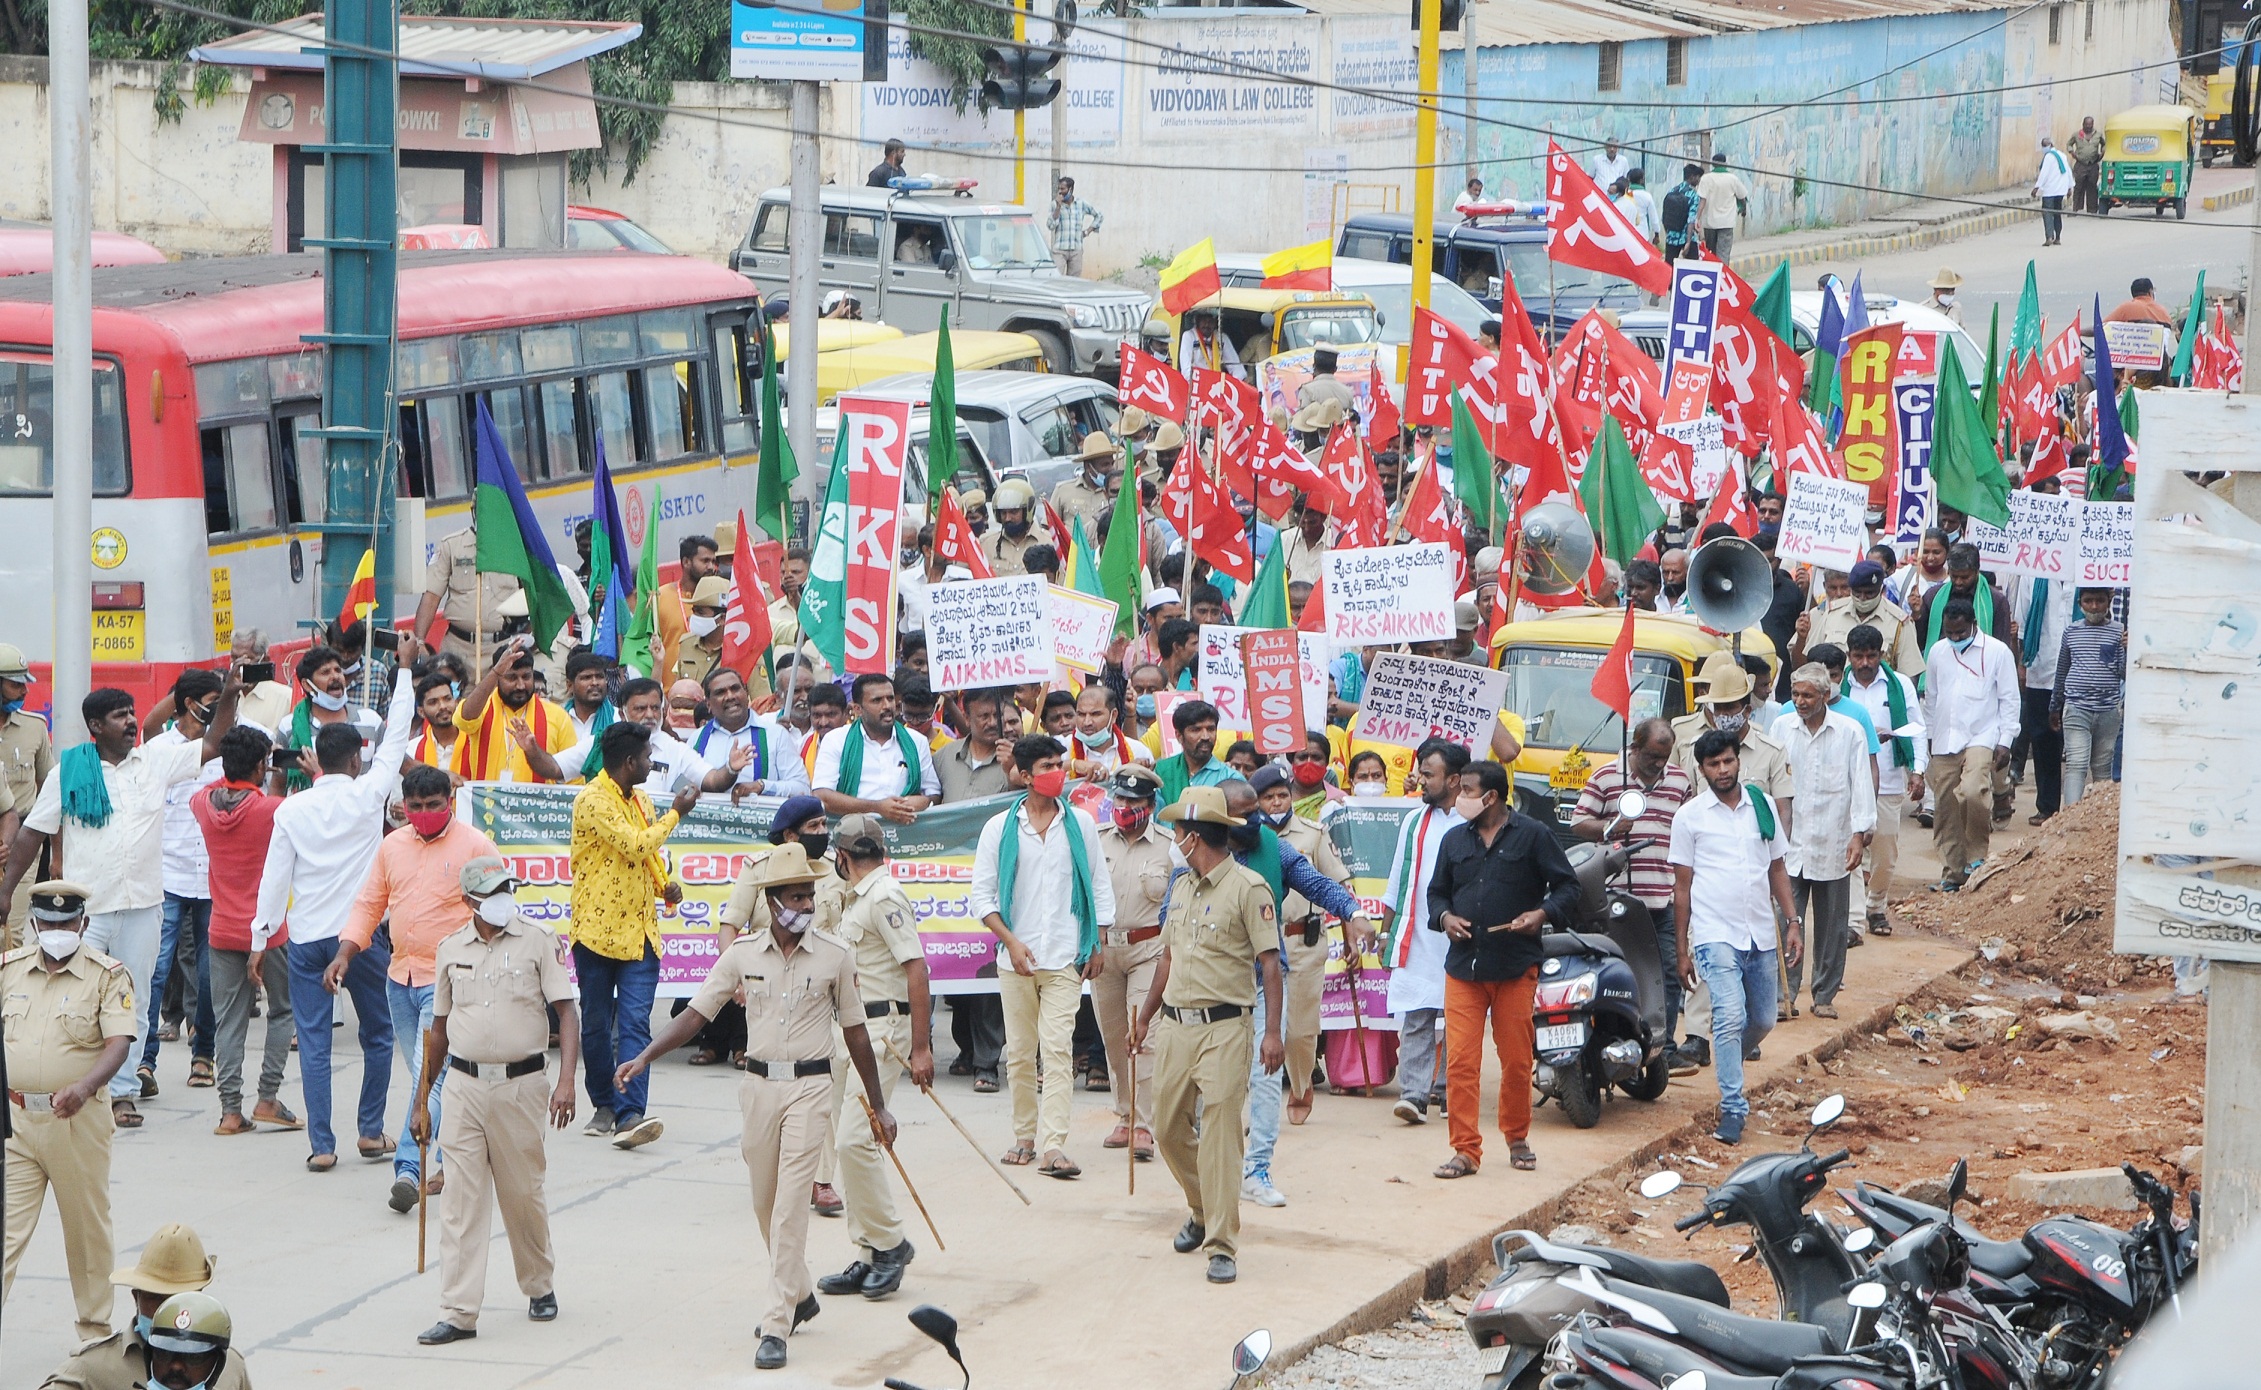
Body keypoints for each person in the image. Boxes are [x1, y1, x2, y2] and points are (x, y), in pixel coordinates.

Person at [618, 842, 898, 1370]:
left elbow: (856, 1032)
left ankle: (776, 1323)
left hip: (811, 1088)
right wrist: (644, 1056)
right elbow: (696, 1015)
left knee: (791, 1207)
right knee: (765, 1205)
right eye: (796, 897)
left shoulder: (836, 955)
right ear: (772, 902)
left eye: (810, 895)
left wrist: (878, 1106)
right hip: (758, 1088)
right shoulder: (742, 955)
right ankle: (800, 1292)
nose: (806, 905)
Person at [3, 676, 242, 1131]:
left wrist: (229, 696)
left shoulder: (155, 760)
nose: (132, 722)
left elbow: (212, 744)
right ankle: (73, 1084)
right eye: (120, 716)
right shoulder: (69, 771)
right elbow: (33, 833)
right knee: (74, 1000)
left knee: (134, 1001)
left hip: (143, 906)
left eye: (132, 713)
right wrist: (4, 892)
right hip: (84, 913)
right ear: (96, 726)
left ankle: (124, 1092)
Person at [245, 653, 415, 1168]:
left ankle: (322, 1146)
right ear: (356, 761)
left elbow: (274, 880)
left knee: (315, 1042)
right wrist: (404, 672)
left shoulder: (291, 809)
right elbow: (397, 737)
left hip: (306, 940)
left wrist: (260, 940)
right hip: (361, 939)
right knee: (378, 1034)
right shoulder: (368, 796)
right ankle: (370, 1131)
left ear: (315, 760)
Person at [408, 856, 579, 1346]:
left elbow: (567, 1013)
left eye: (508, 889)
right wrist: (421, 1101)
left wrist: (567, 1082)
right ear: (469, 901)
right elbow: (438, 1030)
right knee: (461, 1203)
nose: (504, 899)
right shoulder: (450, 949)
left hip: (521, 1086)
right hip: (463, 1087)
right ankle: (459, 1312)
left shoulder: (538, 941)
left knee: (522, 1194)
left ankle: (538, 1283)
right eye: (492, 893)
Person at [331, 762, 502, 1211]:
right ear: (402, 806)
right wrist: (345, 953)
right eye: (416, 806)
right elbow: (370, 903)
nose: (424, 814)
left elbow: (499, 909)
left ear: (450, 801)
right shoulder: (392, 846)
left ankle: (409, 1169)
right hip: (399, 979)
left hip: (450, 983)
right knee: (431, 1078)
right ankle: (448, 1157)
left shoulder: (476, 846)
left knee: (429, 1080)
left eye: (433, 805)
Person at [1132, 787, 1283, 1286]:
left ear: (1194, 837)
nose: (1174, 840)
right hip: (1176, 1026)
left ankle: (1221, 1243)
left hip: (1225, 1028)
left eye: (1177, 832)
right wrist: (1146, 1015)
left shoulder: (1249, 888)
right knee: (1167, 1128)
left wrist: (1272, 1033)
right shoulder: (1180, 887)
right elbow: (1167, 957)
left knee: (1220, 1137)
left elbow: (1270, 965)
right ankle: (1201, 1207)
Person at [1219, 776, 1367, 1206]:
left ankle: (1257, 1170)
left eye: (1257, 812)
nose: (1256, 820)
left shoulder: (1274, 847)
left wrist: (1352, 912)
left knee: (1265, 1077)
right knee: (1217, 1082)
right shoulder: (1199, 850)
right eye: (1245, 814)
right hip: (1213, 984)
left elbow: (1315, 883)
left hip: (1264, 980)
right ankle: (1216, 1168)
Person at [1425, 760, 1577, 1178]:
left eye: (1467, 791)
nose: (1460, 798)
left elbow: (1568, 886)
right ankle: (1465, 1150)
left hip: (1515, 965)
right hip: (1463, 969)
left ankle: (1517, 1137)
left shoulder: (1534, 835)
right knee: (1460, 1062)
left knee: (1515, 1060)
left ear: (1490, 796)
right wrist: (1445, 918)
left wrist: (1541, 914)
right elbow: (1436, 894)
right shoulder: (1454, 840)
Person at [971, 735, 1113, 1179]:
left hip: (1064, 956)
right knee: (1019, 1054)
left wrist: (1098, 941)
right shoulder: (1000, 828)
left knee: (1056, 1050)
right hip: (1016, 960)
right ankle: (1024, 1137)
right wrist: (1011, 942)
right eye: (1047, 766)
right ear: (1025, 776)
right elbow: (982, 897)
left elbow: (1098, 884)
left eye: (1059, 764)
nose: (1057, 773)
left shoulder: (1080, 824)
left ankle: (1053, 1145)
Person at [1, 882, 136, 1339]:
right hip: (17, 1122)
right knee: (5, 1231)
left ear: (83, 923)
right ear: (34, 924)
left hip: (76, 1122)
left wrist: (85, 1086)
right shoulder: (10, 971)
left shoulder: (106, 976)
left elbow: (118, 1042)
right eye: (48, 922)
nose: (57, 930)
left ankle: (94, 1330)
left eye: (67, 922)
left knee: (85, 1231)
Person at [813, 815, 933, 1301]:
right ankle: (867, 1252)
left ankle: (890, 1244)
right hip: (855, 1030)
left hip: (883, 1031)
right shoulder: (860, 897)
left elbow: (917, 969)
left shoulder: (883, 896)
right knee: (849, 1144)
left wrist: (921, 1047)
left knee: (854, 1140)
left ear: (842, 856)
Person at [569, 722, 704, 1150]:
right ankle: (604, 1103)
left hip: (641, 933)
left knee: (634, 1023)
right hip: (596, 932)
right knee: (596, 1025)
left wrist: (666, 885)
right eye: (647, 758)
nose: (651, 764)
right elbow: (634, 845)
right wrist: (677, 814)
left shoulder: (642, 800)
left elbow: (646, 857)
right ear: (629, 762)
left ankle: (630, 1113)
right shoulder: (592, 799)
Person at [1669, 732, 1801, 1145]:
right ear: (1701, 769)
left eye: (1728, 761)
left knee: (1761, 1019)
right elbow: (1682, 888)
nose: (1723, 770)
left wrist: (1793, 921)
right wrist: (1682, 950)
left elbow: (1777, 868)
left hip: (1759, 931)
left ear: (1738, 761)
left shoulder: (1761, 806)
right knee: (1727, 1015)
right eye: (1714, 764)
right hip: (1714, 933)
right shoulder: (1689, 817)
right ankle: (1732, 1107)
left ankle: (1729, 1062)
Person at [191, 727, 297, 1138]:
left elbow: (217, 788)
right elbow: (286, 810)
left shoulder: (203, 804)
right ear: (260, 766)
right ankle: (268, 1096)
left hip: (222, 929)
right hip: (269, 930)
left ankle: (230, 1111)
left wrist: (243, 768)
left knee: (228, 1022)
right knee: (282, 1011)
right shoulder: (271, 809)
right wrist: (281, 774)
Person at [1571, 717, 1696, 1065]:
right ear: (1635, 748)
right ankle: (1618, 1045)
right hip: (1618, 900)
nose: (1659, 764)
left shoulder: (1679, 781)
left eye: (1664, 757)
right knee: (1620, 975)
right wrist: (1608, 827)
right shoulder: (1607, 776)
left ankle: (1663, 1051)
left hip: (1664, 898)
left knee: (1667, 974)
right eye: (1652, 756)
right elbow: (1578, 822)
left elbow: (1690, 827)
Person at [1250, 765, 1362, 1129]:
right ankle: (1259, 1104)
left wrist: (1350, 934)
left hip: (1302, 942)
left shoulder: (1312, 834)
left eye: (1283, 795)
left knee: (1299, 1030)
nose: (1277, 802)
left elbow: (1335, 885)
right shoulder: (1246, 838)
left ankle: (1300, 1087)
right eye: (1269, 797)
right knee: (1256, 1031)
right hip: (1258, 945)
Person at [1774, 664, 1876, 1022]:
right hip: (1791, 843)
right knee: (1787, 919)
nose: (1800, 701)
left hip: (1834, 840)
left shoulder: (1849, 732)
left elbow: (1861, 783)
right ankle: (1784, 995)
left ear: (1825, 695)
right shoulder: (1781, 728)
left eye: (1808, 695)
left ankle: (1824, 994)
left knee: (1832, 924)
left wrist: (1859, 835)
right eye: (1796, 694)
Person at [140, 670, 224, 1097]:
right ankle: (144, 1061)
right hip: (167, 875)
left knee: (209, 974)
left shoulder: (224, 748)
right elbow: (149, 725)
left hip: (212, 877)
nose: (219, 707)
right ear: (189, 705)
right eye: (212, 700)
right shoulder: (157, 750)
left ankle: (204, 1053)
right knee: (155, 971)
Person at [1379, 738, 1469, 1126]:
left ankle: (1450, 1089)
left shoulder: (1474, 822)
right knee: (1417, 1015)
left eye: (1429, 774)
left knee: (1458, 1018)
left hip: (1461, 934)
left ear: (1454, 780)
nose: (1420, 780)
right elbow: (1397, 879)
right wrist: (1386, 933)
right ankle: (1414, 1094)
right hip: (1418, 934)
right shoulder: (1414, 821)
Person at [44, 1226, 253, 1389]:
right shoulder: (94, 1367)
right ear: (136, 1297)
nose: (166, 1313)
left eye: (178, 1300)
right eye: (156, 1298)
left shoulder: (231, 1366)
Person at [1091, 765, 1170, 1161]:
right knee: (1113, 1036)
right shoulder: (1096, 840)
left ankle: (1144, 1125)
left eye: (1134, 801)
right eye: (1120, 798)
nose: (1125, 806)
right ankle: (1124, 1114)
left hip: (1149, 950)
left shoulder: (1169, 846)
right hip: (1104, 950)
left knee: (1144, 1036)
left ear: (1150, 806)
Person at [1922, 600, 2021, 891]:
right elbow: (1932, 695)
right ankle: (1953, 874)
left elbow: (2009, 698)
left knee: (1973, 792)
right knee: (1946, 807)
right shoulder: (1938, 652)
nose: (1955, 638)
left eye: (1961, 632)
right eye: (1950, 633)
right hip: (1945, 737)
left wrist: (2005, 740)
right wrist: (1930, 735)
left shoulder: (1997, 652)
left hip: (1982, 734)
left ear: (1973, 625)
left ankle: (1977, 857)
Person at [1842, 625, 1926, 938]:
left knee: (1885, 854)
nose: (1865, 663)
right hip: (1847, 783)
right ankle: (1853, 921)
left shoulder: (1899, 685)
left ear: (1882, 654)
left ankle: (1875, 905)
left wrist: (1917, 770)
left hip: (1888, 780)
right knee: (1850, 851)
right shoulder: (1838, 686)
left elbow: (1917, 729)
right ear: (1849, 655)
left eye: (1871, 656)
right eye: (1858, 656)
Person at [1669, 655, 1793, 820]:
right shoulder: (1697, 749)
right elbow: (1687, 804)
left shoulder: (1772, 752)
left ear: (1747, 711)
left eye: (1730, 707)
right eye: (1719, 708)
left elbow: (1783, 811)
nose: (1723, 715)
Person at [45, 1289, 244, 1390]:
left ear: (217, 1364)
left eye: (193, 1357)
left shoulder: (234, 1368)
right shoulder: (93, 1364)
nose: (176, 1366)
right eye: (164, 1353)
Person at [813, 674, 941, 824]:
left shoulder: (916, 741)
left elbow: (933, 794)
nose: (887, 706)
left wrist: (924, 801)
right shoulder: (836, 740)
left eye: (890, 698)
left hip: (905, 831)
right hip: (852, 831)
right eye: (877, 700)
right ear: (857, 709)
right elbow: (822, 796)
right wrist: (877, 807)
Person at [452, 636, 577, 782]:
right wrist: (495, 672)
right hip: (486, 797)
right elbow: (464, 720)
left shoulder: (557, 716)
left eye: (526, 677)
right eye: (511, 678)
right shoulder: (481, 708)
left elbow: (573, 777)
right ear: (497, 678)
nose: (520, 685)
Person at [2006, 565, 2074, 824]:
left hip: (2081, 673)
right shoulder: (2033, 574)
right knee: (2044, 740)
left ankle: (2077, 808)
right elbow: (2023, 625)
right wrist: (2022, 664)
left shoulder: (2088, 570)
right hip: (2041, 668)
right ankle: (2047, 806)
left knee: (2078, 745)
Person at [692, 667, 811, 801]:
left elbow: (802, 788)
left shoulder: (775, 735)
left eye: (735, 689)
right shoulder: (697, 739)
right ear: (708, 704)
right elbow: (679, 783)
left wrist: (762, 786)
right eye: (720, 692)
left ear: (746, 694)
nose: (730, 696)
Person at [2053, 587, 2125, 805]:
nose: (2094, 607)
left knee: (2103, 768)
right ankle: (2071, 815)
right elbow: (2062, 669)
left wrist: (2128, 649)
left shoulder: (2119, 632)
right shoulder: (2071, 632)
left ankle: (2099, 815)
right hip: (2077, 707)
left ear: (2108, 602)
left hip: (2108, 710)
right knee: (2076, 764)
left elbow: (2123, 672)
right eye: (2088, 601)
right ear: (2080, 604)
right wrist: (2055, 705)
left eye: (2100, 601)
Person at [1798, 559, 1926, 677]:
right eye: (1858, 593)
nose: (1863, 598)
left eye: (1869, 593)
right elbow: (1810, 661)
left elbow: (1909, 674)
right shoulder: (1832, 614)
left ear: (1881, 589)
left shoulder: (1899, 622)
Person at [417, 525, 519, 664]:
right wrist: (419, 641)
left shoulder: (517, 545)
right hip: (458, 650)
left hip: (504, 649)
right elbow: (431, 597)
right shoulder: (451, 545)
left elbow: (532, 595)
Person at [934, 687, 1013, 803]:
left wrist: (1012, 769)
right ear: (967, 718)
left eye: (997, 715)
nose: (992, 723)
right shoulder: (943, 757)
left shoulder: (1014, 759)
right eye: (984, 716)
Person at [1153, 699, 1233, 803]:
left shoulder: (1230, 778)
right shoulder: (1161, 771)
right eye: (1196, 730)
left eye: (1210, 729)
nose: (1205, 737)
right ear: (1179, 736)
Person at [979, 478, 1055, 576]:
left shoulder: (1049, 542)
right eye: (1003, 513)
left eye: (1013, 512)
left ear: (1027, 511)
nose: (1008, 518)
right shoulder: (986, 544)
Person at [1051, 434, 1117, 538]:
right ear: (1088, 466)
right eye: (1105, 464)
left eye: (1112, 463)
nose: (1111, 468)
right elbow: (1049, 528)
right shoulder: (1063, 491)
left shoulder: (1115, 492)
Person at [673, 575, 732, 689]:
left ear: (722, 618)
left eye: (701, 612)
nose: (694, 617)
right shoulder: (686, 644)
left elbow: (760, 698)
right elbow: (678, 691)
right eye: (694, 611)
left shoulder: (742, 650)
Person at [1694, 152, 1748, 259]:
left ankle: (1713, 269)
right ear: (1725, 164)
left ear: (1713, 164)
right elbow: (1742, 197)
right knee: (1723, 253)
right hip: (1726, 223)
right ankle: (1722, 269)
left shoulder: (1706, 178)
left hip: (1710, 223)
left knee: (1711, 253)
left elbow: (1702, 201)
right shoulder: (1733, 179)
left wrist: (1697, 218)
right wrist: (1743, 210)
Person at [1047, 175, 1103, 276]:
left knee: (1074, 281)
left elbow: (1099, 216)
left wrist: (1087, 231)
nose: (1060, 192)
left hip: (1076, 249)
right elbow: (1050, 226)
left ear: (1070, 189)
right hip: (1060, 249)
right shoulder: (1054, 205)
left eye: (1063, 189)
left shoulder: (1081, 204)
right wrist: (1058, 207)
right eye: (1059, 189)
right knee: (1055, 277)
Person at [2033, 136, 2073, 246]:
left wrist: (2037, 187)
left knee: (2047, 213)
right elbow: (2068, 172)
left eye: (2045, 145)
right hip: (2060, 190)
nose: (2043, 148)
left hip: (2050, 191)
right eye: (2043, 145)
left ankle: (2049, 237)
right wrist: (2070, 187)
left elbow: (2044, 173)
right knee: (2057, 213)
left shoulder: (2049, 157)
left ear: (2050, 145)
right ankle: (2058, 237)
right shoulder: (2062, 155)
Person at [1660, 162, 1702, 261]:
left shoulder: (1672, 191)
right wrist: (1688, 242)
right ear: (1692, 177)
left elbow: (1665, 216)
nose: (1698, 180)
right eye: (1697, 177)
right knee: (1692, 267)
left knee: (1670, 267)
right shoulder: (1693, 195)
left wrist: (1668, 233)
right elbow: (1691, 220)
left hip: (1671, 237)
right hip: (1687, 237)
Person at [2067, 115, 2105, 215]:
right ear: (2083, 124)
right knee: (2079, 187)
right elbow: (2069, 144)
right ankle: (2076, 208)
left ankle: (2092, 209)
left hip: (2093, 164)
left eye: (2090, 124)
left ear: (2093, 124)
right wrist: (2072, 152)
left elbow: (2104, 144)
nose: (2088, 126)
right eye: (2086, 124)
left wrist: (2102, 153)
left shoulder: (2098, 135)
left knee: (2092, 187)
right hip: (2081, 164)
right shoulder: (2077, 135)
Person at [2106, 277, 2176, 326]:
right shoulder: (2163, 312)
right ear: (2150, 292)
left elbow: (2102, 327)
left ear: (2132, 293)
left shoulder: (2126, 308)